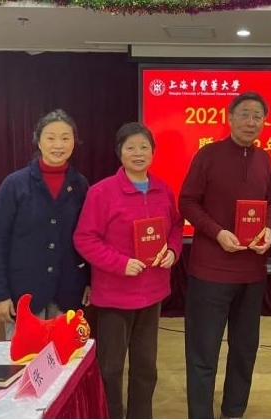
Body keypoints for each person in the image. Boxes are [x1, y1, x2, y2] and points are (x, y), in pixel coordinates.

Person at [178, 91, 271, 419]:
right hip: (210, 272)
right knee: (203, 352)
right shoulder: (208, 155)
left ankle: (234, 412)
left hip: (252, 274)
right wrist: (217, 232)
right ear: (230, 117)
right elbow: (187, 202)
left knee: (244, 351)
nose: (251, 122)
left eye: (258, 116)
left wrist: (268, 229)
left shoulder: (264, 159)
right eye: (245, 114)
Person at [73, 122, 184, 419]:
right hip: (114, 296)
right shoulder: (102, 192)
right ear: (119, 153)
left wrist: (173, 251)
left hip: (152, 293)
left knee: (146, 366)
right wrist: (120, 263)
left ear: (153, 153)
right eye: (131, 147)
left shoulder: (163, 190)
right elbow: (84, 238)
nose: (138, 153)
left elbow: (175, 227)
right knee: (110, 368)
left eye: (144, 147)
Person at [0, 109, 90, 340]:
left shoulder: (80, 185)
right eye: (51, 137)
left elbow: (88, 237)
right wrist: (0, 294)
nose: (58, 145)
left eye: (65, 138)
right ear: (38, 141)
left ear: (74, 142)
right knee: (26, 360)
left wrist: (89, 282)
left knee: (64, 358)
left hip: (67, 293)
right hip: (24, 295)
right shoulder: (15, 184)